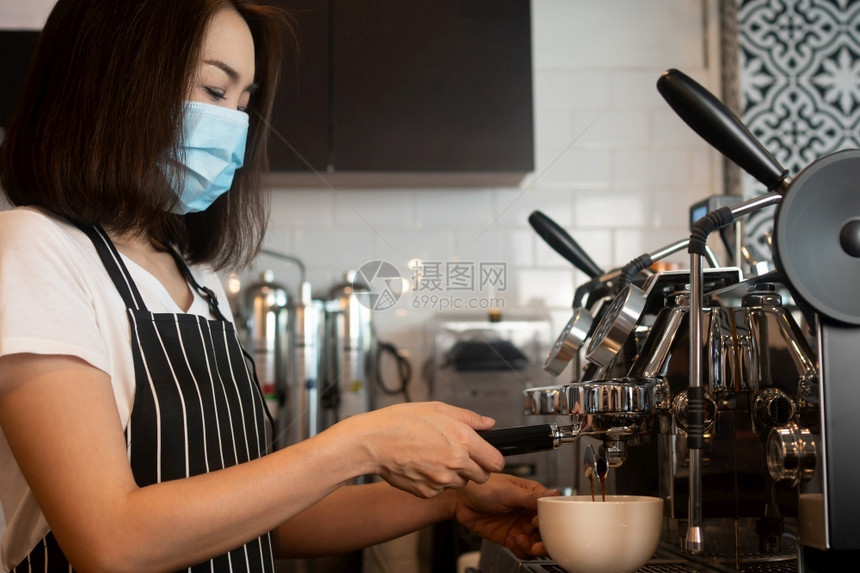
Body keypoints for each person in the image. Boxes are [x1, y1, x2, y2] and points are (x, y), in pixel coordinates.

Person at [0, 0, 556, 571]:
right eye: (216, 92)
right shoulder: (37, 249)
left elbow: (257, 521)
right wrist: (357, 445)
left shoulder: (196, 275)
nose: (234, 127)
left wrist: (452, 499)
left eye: (244, 104)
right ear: (110, 78)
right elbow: (111, 539)